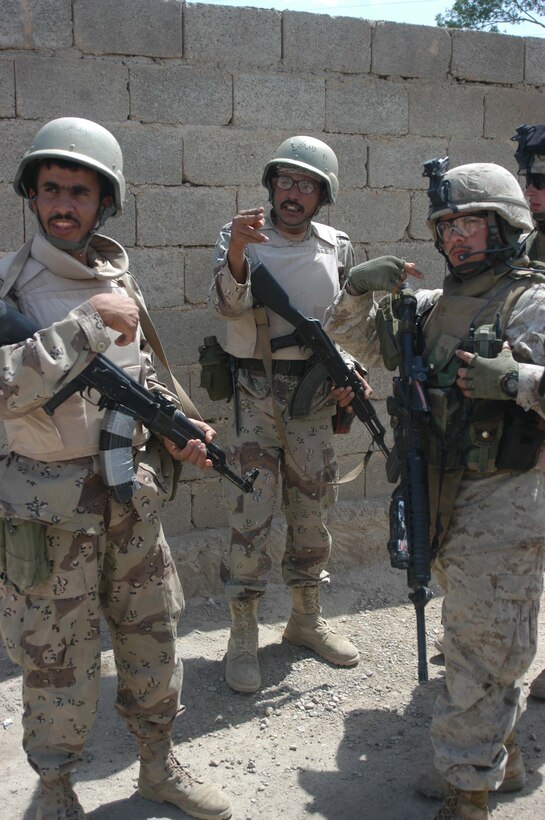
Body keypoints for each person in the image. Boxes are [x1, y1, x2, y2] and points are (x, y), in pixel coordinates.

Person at [0, 118, 232, 820]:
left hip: (130, 500)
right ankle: (55, 791)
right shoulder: (11, 287)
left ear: (105, 201)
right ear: (32, 196)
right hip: (48, 513)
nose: (63, 203)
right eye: (51, 190)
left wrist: (177, 426)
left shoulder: (114, 275)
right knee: (56, 662)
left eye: (79, 190)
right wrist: (87, 327)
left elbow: (137, 378)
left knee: (154, 636)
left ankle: (159, 766)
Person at [324, 159, 545, 819]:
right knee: (483, 638)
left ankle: (466, 794)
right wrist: (355, 290)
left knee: (481, 644)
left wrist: (517, 381)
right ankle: (497, 763)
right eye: (445, 225)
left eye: (468, 223)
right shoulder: (433, 307)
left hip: (504, 498)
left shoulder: (528, 299)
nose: (454, 237)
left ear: (503, 225)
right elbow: (350, 334)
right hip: (441, 496)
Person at [208, 135, 368, 694]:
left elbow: (342, 323)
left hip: (314, 397)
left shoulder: (336, 245)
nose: (293, 193)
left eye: (307, 185)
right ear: (271, 185)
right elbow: (228, 305)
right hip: (255, 394)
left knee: (312, 510)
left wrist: (349, 371)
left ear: (322, 196)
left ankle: (304, 619)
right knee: (250, 513)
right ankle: (243, 634)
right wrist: (235, 253)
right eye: (285, 181)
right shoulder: (243, 238)